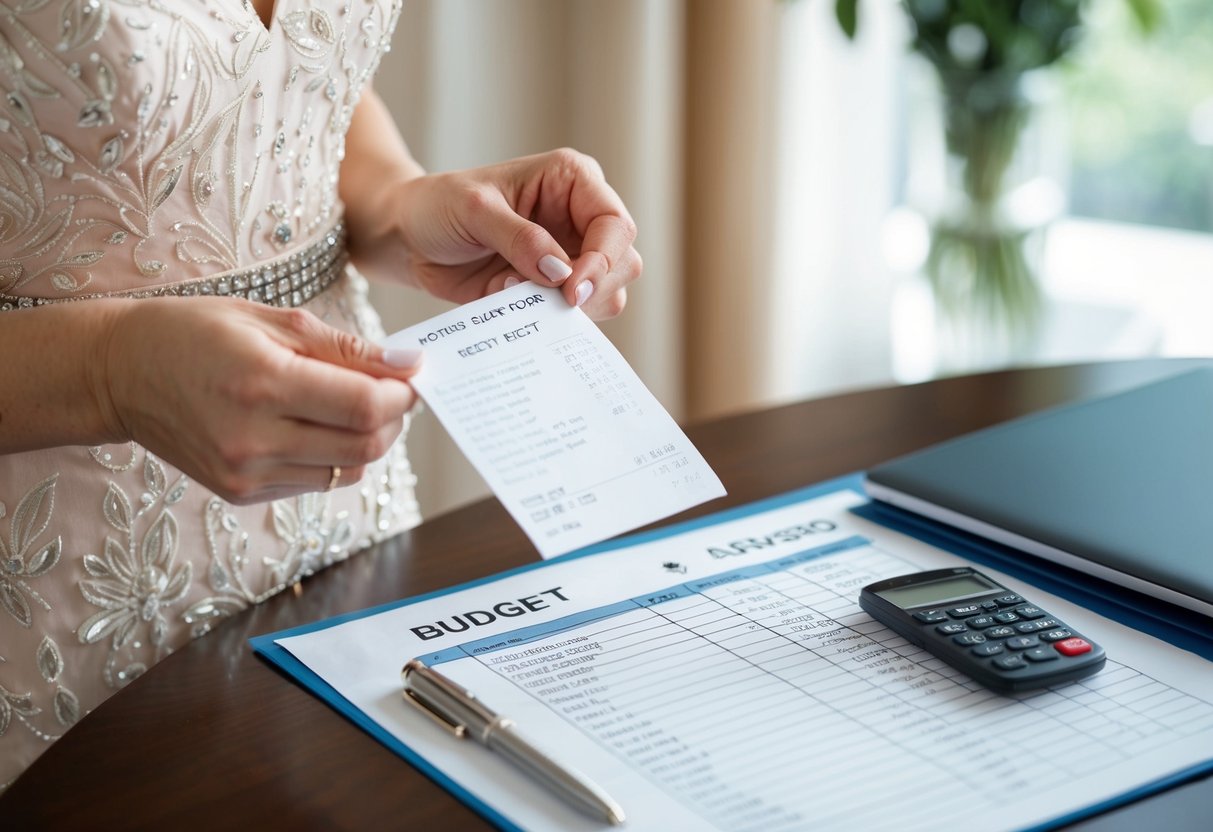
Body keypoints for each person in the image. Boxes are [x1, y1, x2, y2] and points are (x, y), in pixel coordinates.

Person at [0, 0, 641, 791]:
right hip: (53, 610)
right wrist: (108, 368)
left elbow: (287, 85)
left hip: (354, 550)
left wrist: (406, 208)